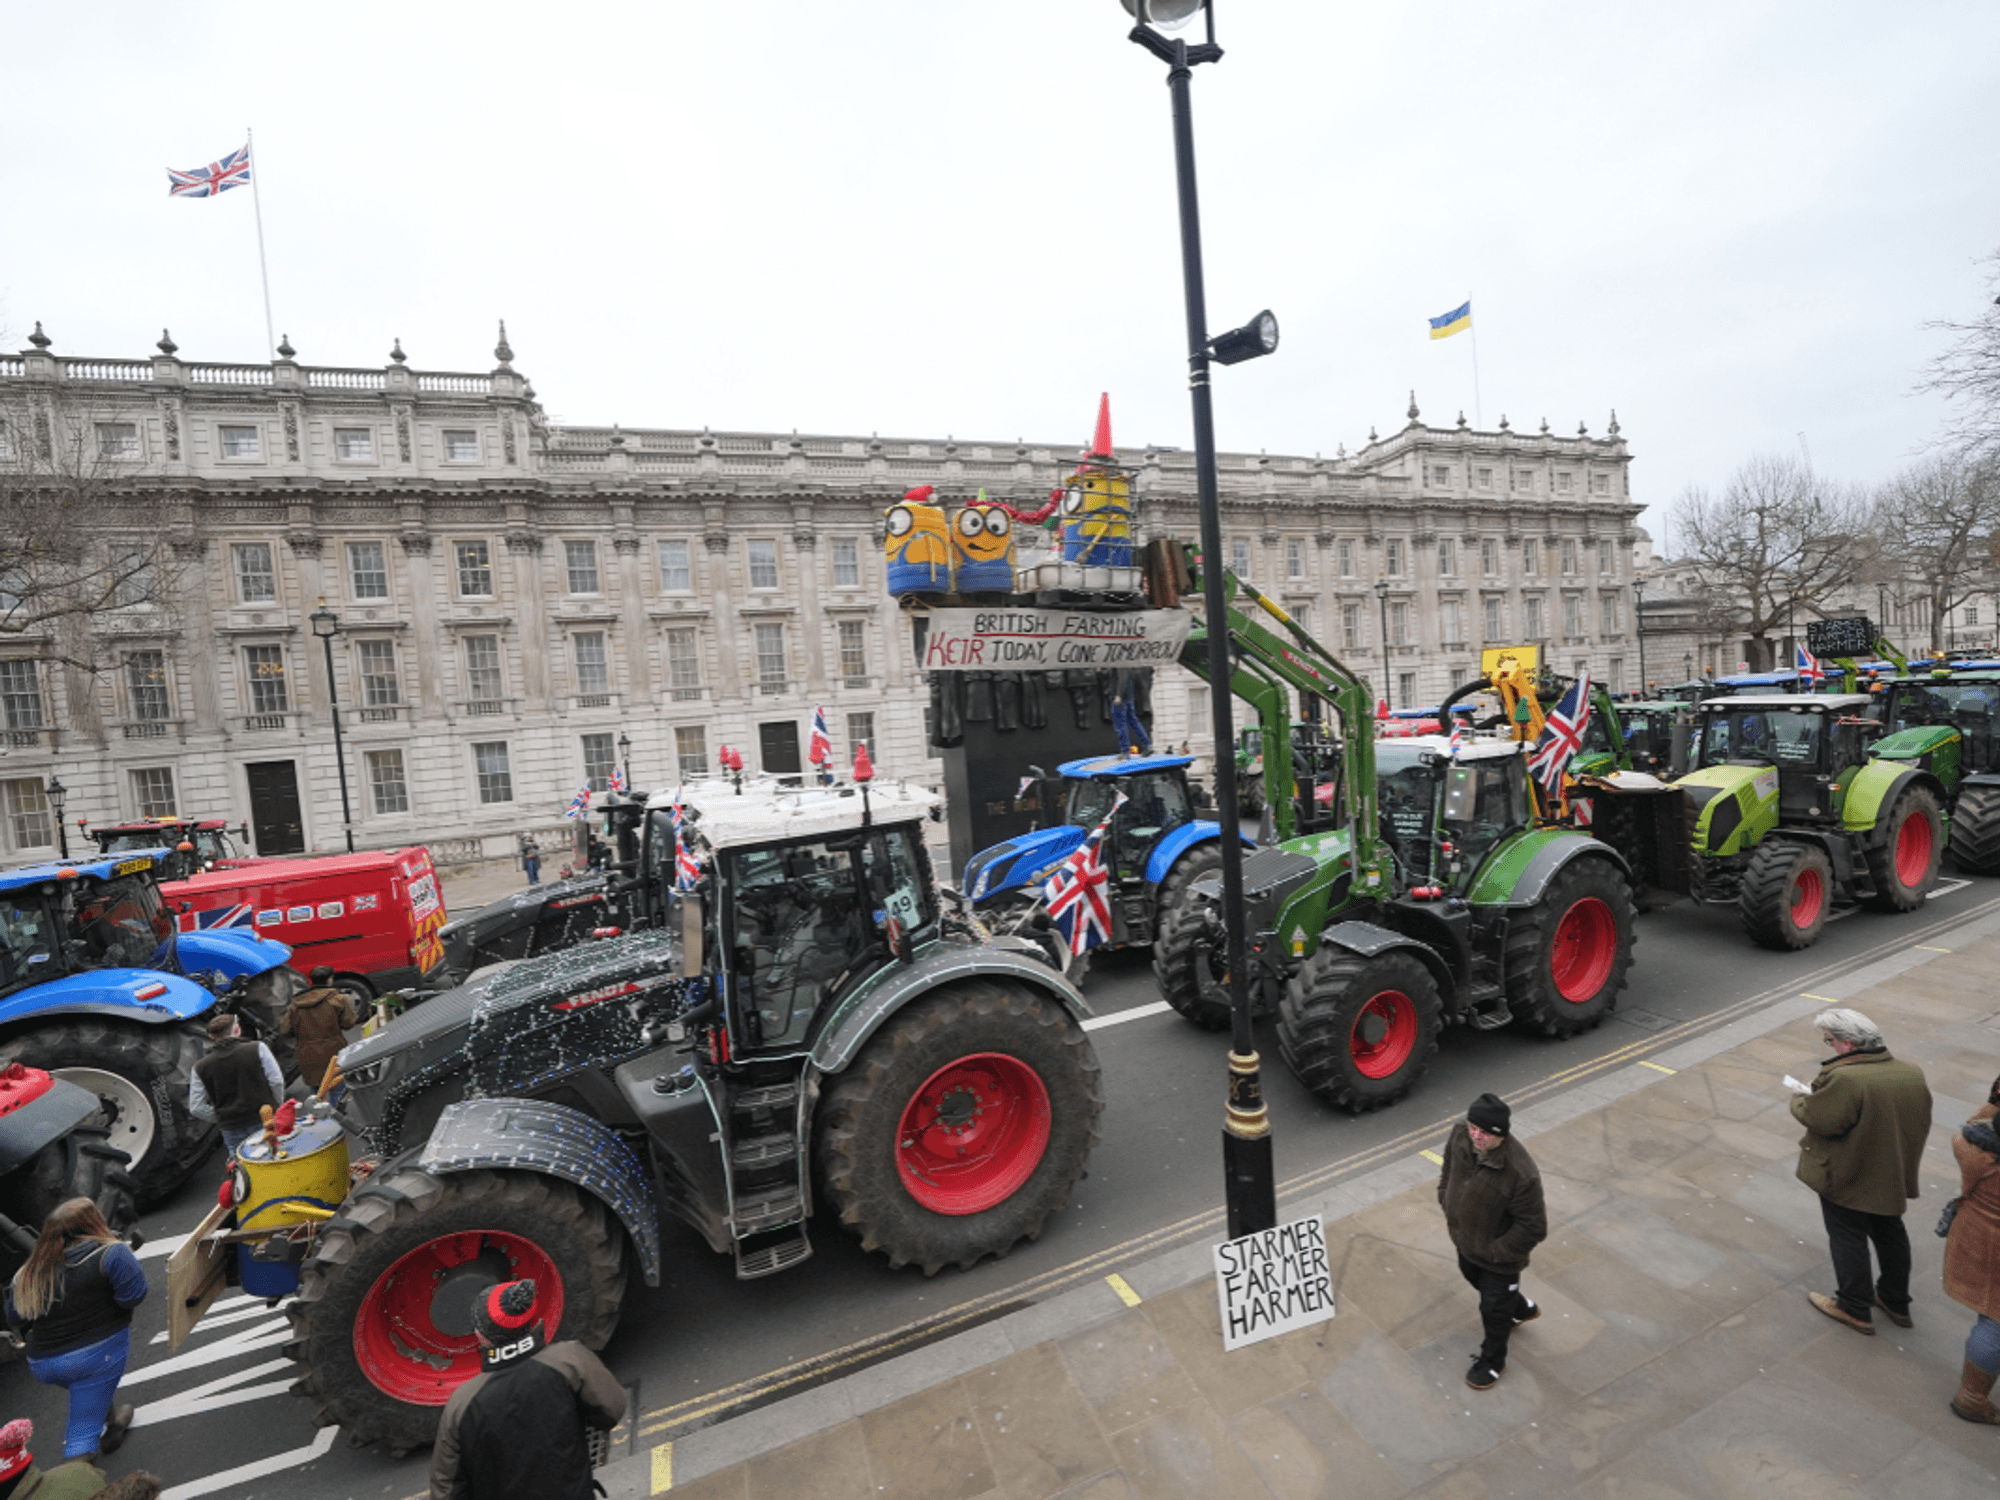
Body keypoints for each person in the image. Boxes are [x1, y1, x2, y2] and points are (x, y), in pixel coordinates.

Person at [1789, 1007, 1933, 1334]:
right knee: (1890, 1231)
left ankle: (1853, 1306)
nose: (1828, 1047)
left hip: (1848, 1173)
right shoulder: (1910, 1071)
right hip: (1890, 1170)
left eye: (1829, 1041)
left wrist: (1799, 1098)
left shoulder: (1846, 1078)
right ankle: (1895, 1301)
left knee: (1847, 1235)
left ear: (1848, 1044)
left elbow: (1820, 1119)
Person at [429, 1279, 624, 1500]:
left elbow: (446, 1488)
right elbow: (613, 1408)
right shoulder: (570, 1359)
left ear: (482, 1336)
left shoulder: (462, 1403)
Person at [3, 1203, 146, 1465]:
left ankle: (113, 1424)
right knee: (81, 1434)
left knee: (89, 1390)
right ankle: (77, 1480)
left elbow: (14, 1317)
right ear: (94, 1223)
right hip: (96, 1356)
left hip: (44, 1364)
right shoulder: (112, 1253)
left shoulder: (29, 1272)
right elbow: (132, 1297)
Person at [1437, 1092, 1547, 1390]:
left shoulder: (1522, 1174)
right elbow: (1448, 1169)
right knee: (1475, 1281)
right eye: (1474, 1128)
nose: (1476, 1136)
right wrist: (1446, 1200)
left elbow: (1534, 1227)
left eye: (1484, 1133)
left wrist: (1495, 1251)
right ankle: (1520, 1307)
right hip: (1465, 1241)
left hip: (1500, 1258)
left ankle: (1493, 1361)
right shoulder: (1461, 1134)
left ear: (1501, 1135)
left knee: (1493, 1311)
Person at [1943, 1072, 2000, 1423]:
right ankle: (1972, 1398)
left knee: (1991, 1313)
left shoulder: (1973, 1150)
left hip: (1977, 1239)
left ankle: (1973, 1393)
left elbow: (1971, 1124)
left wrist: (1993, 1102)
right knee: (1996, 1323)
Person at [187, 1011, 283, 1161]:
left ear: (211, 1037)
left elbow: (196, 1107)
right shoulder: (258, 1048)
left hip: (231, 1128)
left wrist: (222, 1117)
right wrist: (277, 1105)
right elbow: (276, 1081)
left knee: (244, 1167)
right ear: (237, 1030)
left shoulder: (199, 1067)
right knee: (274, 1158)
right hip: (265, 1118)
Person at [278, 966, 358, 1097]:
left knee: (316, 1091)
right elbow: (348, 1024)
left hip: (306, 1053)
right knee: (337, 1088)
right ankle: (334, 1116)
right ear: (329, 980)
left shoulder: (296, 1003)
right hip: (333, 1050)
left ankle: (317, 1116)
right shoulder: (338, 999)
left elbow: (284, 1029)